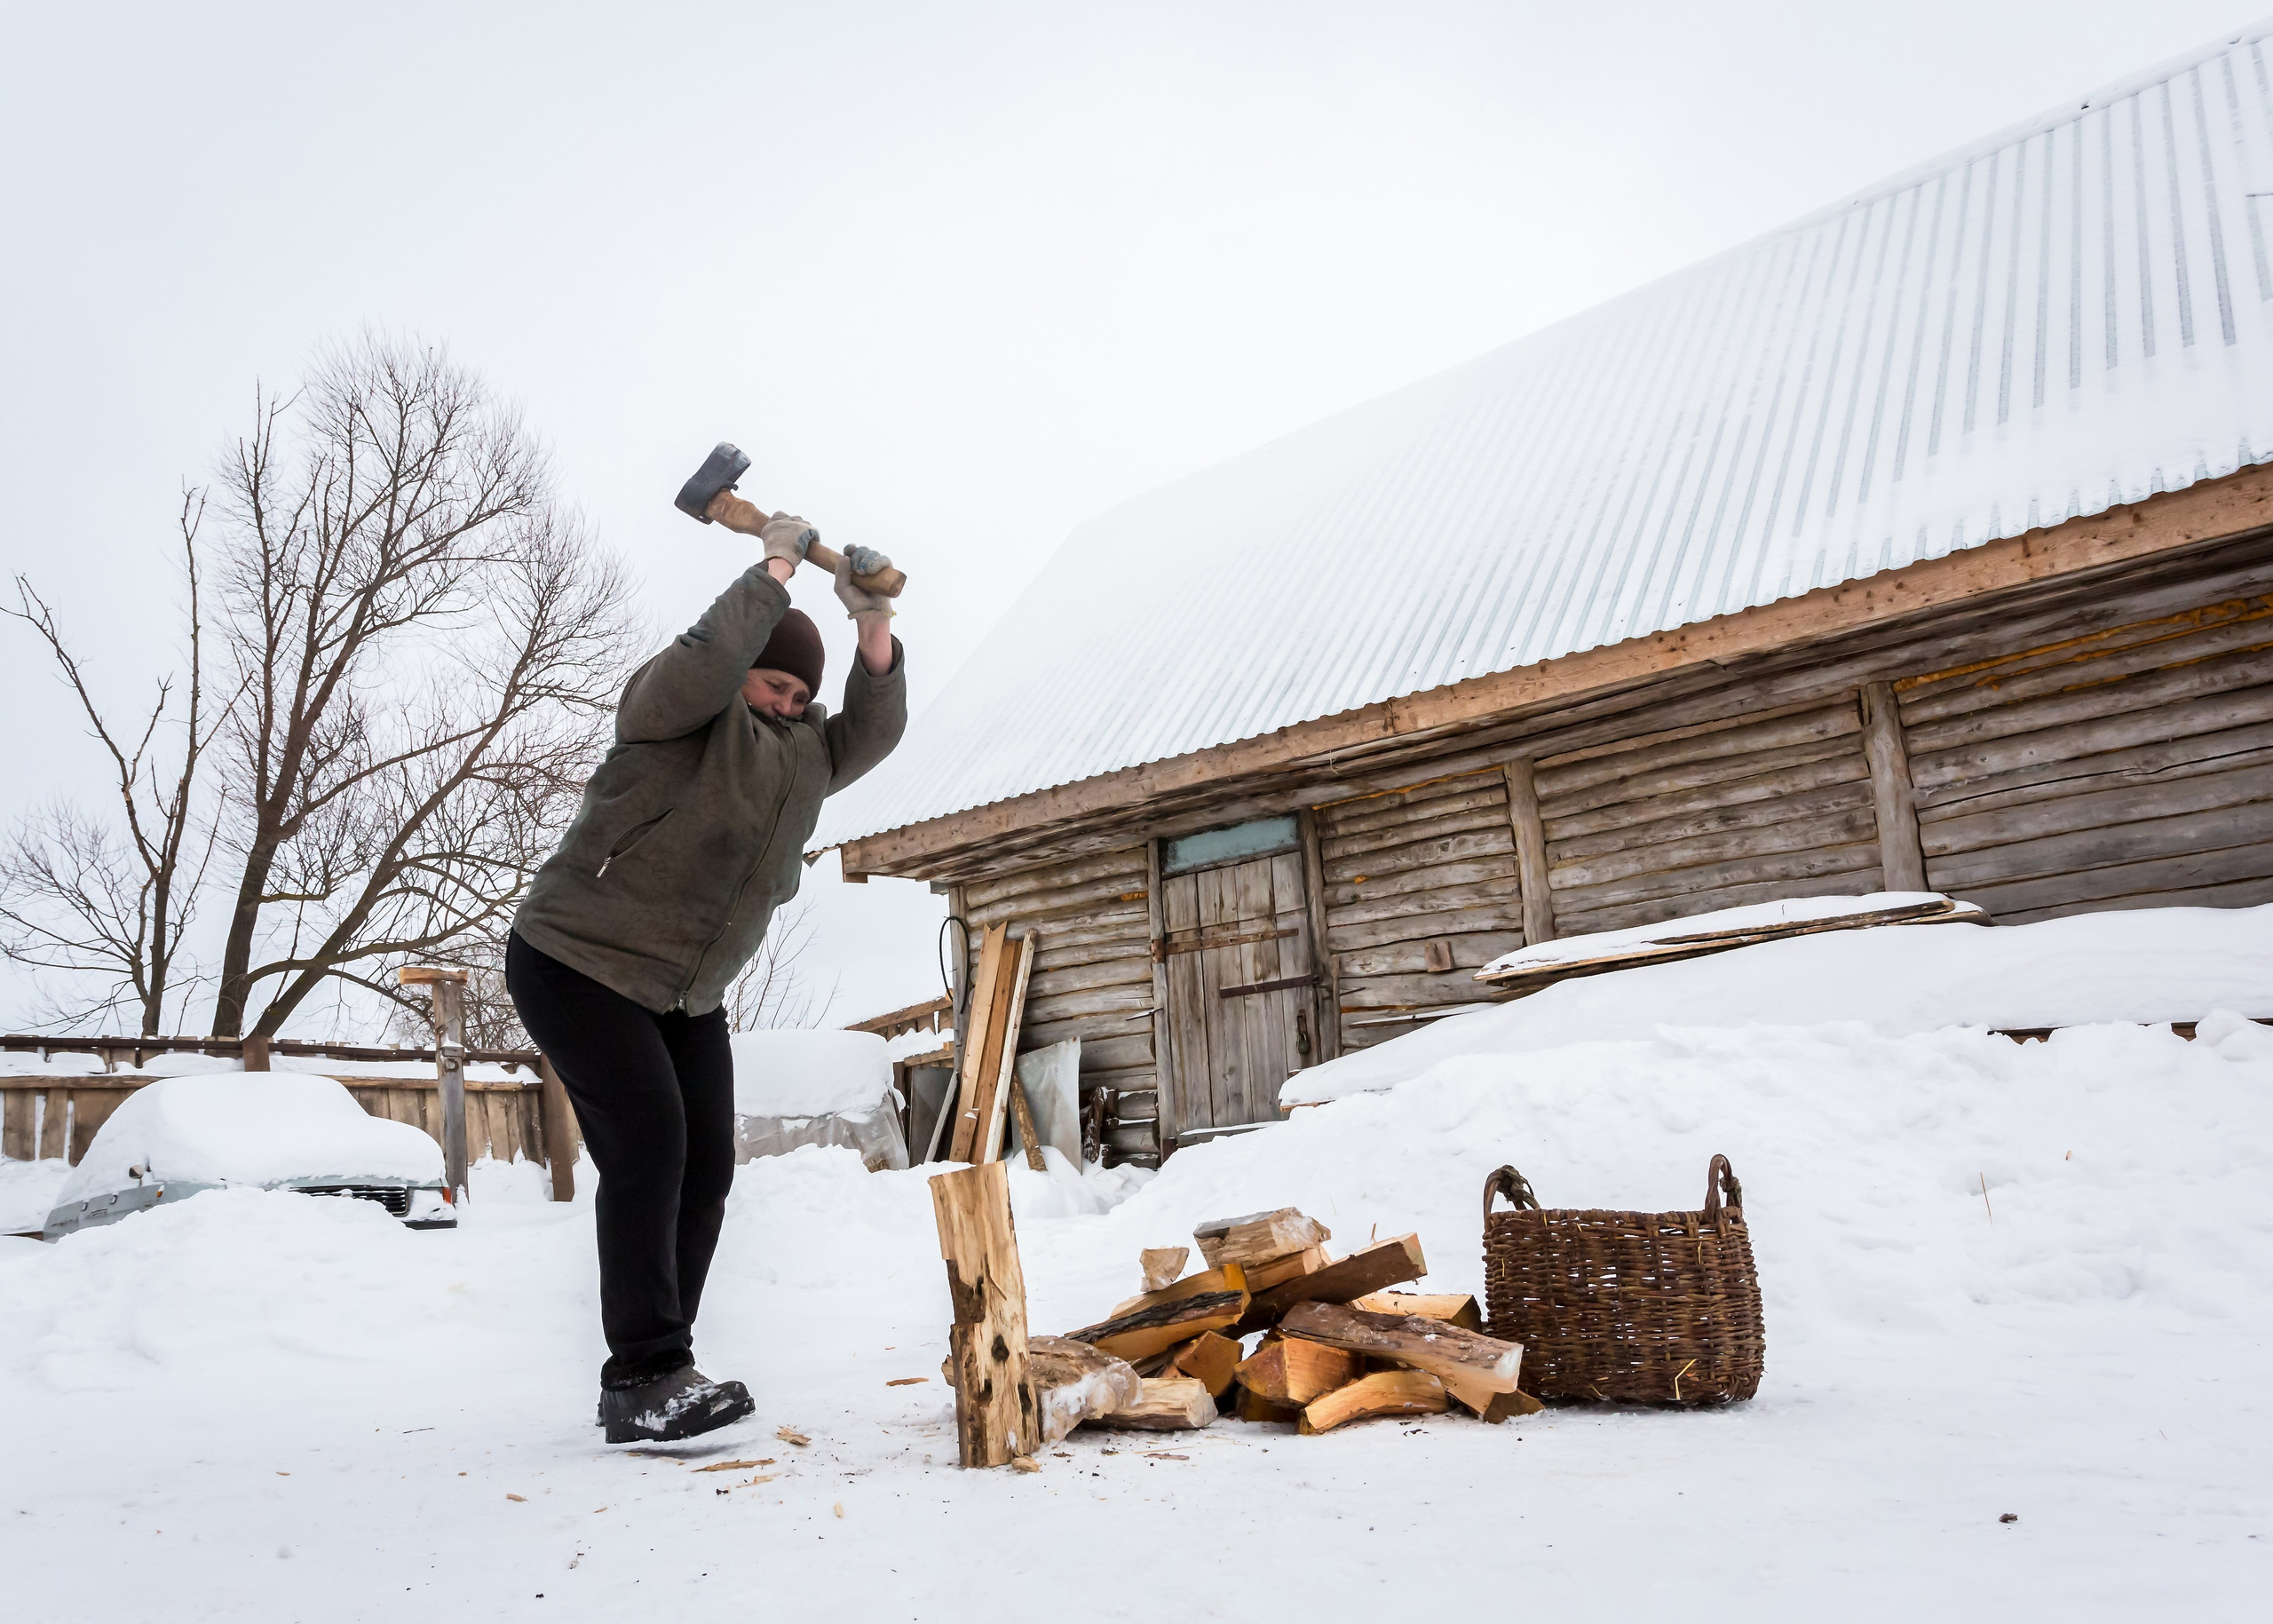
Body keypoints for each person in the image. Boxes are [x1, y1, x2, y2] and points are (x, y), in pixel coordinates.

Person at [506, 500, 905, 1443]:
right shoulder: (677, 710)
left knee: (706, 1164)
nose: (785, 704)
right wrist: (772, 573)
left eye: (800, 698)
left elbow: (875, 731)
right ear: (743, 673)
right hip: (578, 957)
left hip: (687, 993)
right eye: (771, 685)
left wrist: (871, 620)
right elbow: (701, 659)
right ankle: (645, 1368)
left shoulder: (805, 754)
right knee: (649, 1143)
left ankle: (658, 1367)